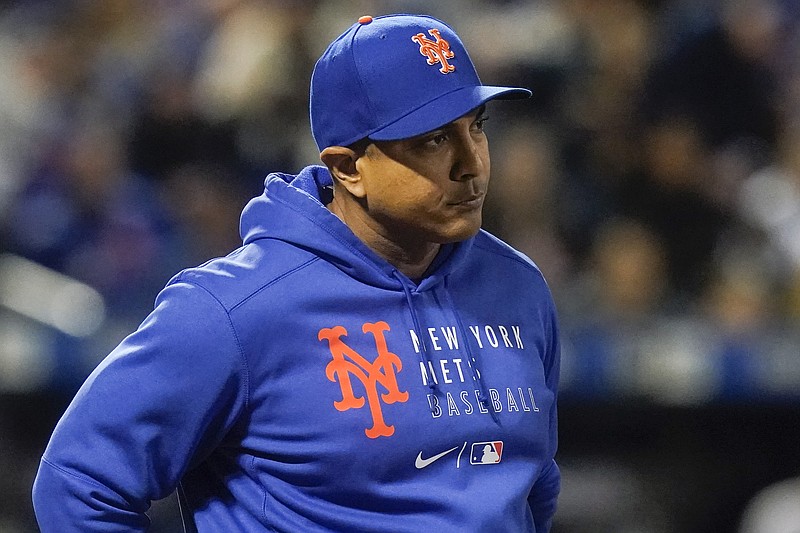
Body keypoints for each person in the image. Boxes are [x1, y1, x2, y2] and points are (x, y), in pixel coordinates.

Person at [32, 13, 561, 532]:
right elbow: (77, 483)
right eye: (434, 140)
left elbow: (532, 486)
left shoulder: (517, 286)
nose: (472, 163)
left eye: (477, 128)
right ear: (348, 169)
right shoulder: (233, 310)